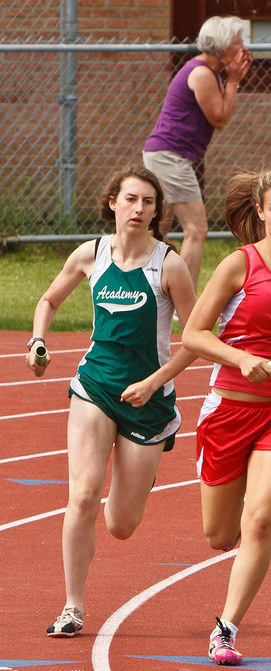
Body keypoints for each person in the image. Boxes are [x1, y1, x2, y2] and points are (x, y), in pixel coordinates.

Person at [27, 166, 196, 637]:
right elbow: (48, 300)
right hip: (95, 385)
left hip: (147, 399)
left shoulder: (169, 266)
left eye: (148, 202)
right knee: (82, 495)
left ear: (157, 211)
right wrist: (38, 341)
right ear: (113, 203)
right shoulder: (92, 254)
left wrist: (153, 383)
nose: (139, 209)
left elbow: (196, 339)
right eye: (131, 199)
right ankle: (72, 607)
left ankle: (138, 470)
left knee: (121, 523)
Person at [180, 167, 271, 665]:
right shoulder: (239, 265)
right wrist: (239, 358)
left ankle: (226, 629)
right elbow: (194, 334)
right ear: (260, 211)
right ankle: (239, 535)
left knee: (260, 520)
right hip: (230, 411)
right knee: (220, 536)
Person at [143, 15, 252, 288]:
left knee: (159, 228)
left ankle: (149, 288)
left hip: (166, 156)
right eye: (237, 42)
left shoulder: (208, 72)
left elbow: (220, 117)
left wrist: (231, 80)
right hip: (169, 157)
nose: (243, 47)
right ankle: (185, 300)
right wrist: (234, 80)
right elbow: (219, 118)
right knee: (196, 228)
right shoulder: (202, 73)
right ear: (223, 45)